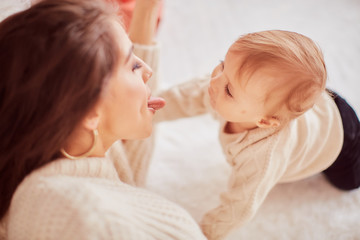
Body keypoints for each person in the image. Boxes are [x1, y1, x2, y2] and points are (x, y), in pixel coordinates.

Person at [0, 0, 207, 239]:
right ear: (88, 110)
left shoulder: (76, 149)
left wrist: (146, 11)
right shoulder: (78, 214)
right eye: (133, 65)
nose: (148, 71)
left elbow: (126, 182)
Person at [155, 30, 360, 239]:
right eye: (223, 64)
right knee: (287, 93)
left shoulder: (261, 158)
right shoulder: (221, 88)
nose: (214, 80)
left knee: (349, 183)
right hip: (324, 105)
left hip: (342, 139)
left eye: (229, 90)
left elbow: (239, 206)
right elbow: (183, 97)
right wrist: (148, 110)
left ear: (264, 122)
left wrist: (205, 233)